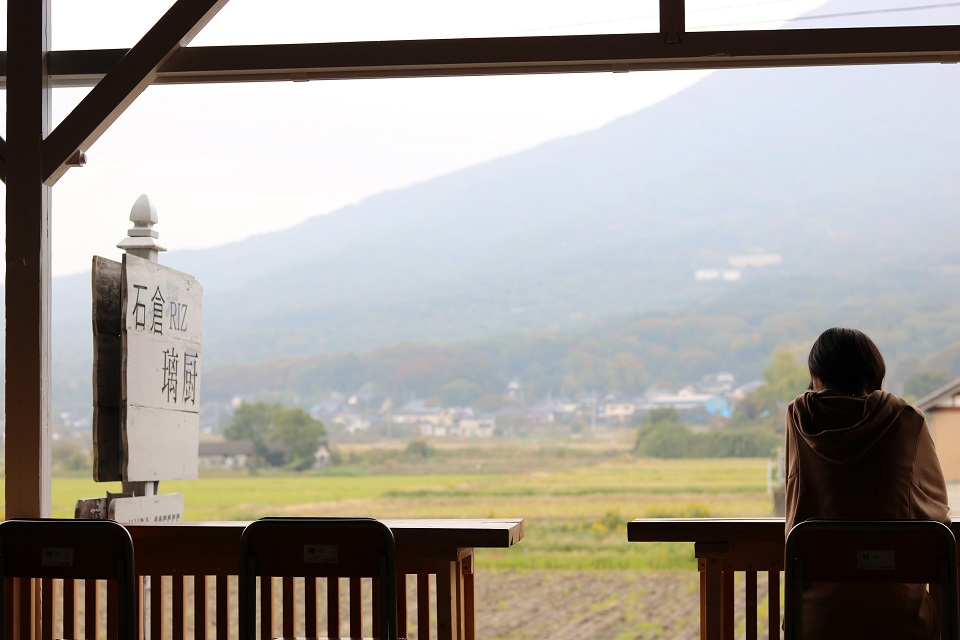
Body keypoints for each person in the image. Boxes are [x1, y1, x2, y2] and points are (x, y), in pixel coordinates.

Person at [784, 327, 950, 640]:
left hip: (817, 621)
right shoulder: (907, 419)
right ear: (873, 372)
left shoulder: (799, 418)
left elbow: (797, 501)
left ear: (817, 375)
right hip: (900, 619)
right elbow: (937, 514)